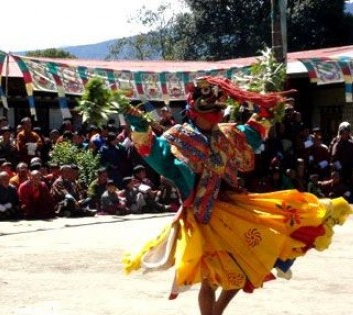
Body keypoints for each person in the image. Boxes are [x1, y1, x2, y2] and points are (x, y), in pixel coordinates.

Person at [121, 76, 352, 315]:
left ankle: (217, 311)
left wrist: (267, 109)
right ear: (194, 112)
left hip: (233, 207)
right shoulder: (179, 137)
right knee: (210, 276)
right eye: (208, 113)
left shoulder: (227, 134)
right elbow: (155, 153)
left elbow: (252, 132)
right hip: (201, 216)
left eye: (217, 113)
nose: (214, 119)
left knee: (245, 264)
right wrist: (139, 126)